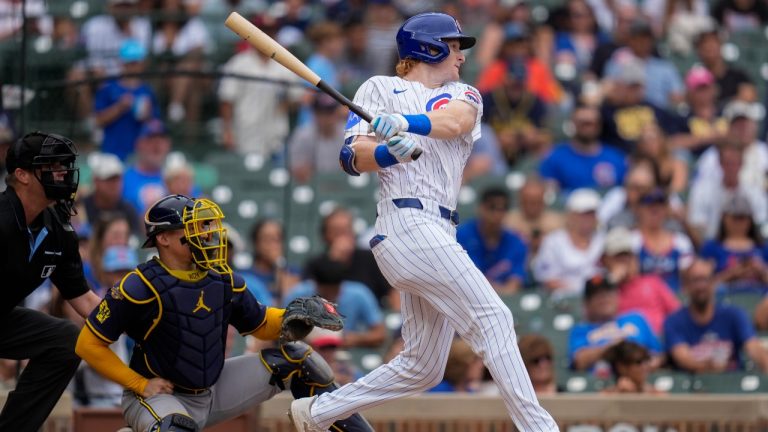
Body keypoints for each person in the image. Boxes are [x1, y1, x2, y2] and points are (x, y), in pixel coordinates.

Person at [289, 12, 559, 432]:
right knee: (494, 319)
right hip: (405, 222)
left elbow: (455, 122)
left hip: (438, 230)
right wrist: (387, 152)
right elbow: (351, 156)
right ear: (427, 47)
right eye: (453, 46)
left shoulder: (465, 93)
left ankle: (317, 413)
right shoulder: (379, 88)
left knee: (424, 365)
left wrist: (404, 125)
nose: (460, 57)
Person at [75, 194, 373, 432]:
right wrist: (139, 384)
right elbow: (87, 345)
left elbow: (260, 325)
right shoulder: (138, 285)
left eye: (204, 226)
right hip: (158, 396)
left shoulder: (222, 278)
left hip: (213, 389)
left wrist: (294, 317)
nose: (205, 233)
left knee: (300, 360)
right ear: (163, 238)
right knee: (176, 427)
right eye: (193, 227)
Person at [0, 132, 101, 430]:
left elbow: (83, 299)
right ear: (22, 175)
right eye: (52, 166)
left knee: (67, 340)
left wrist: (136, 323)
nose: (62, 173)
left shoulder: (58, 227)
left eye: (63, 165)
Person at [218, 14, 303, 157]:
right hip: (245, 133)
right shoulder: (239, 63)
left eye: (271, 31)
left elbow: (297, 98)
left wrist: (286, 102)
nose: (267, 36)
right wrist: (227, 131)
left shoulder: (285, 64)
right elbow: (226, 99)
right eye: (263, 31)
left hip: (276, 135)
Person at [664, 258, 768, 373]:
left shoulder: (734, 315)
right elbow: (683, 358)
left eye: (705, 279)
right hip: (693, 386)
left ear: (713, 283)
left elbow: (753, 347)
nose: (701, 286)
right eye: (695, 280)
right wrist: (709, 367)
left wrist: (765, 361)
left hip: (732, 384)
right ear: (686, 286)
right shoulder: (674, 321)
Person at [568, 275, 662, 375]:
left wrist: (648, 363)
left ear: (617, 296)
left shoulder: (636, 319)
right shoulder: (581, 330)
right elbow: (579, 362)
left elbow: (658, 354)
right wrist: (614, 348)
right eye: (596, 295)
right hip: (602, 383)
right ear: (586, 304)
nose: (603, 298)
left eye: (608, 293)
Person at [286, 256, 386, 349]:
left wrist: (356, 338)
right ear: (316, 284)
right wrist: (305, 337)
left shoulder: (359, 293)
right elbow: (281, 330)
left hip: (344, 353)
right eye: (325, 292)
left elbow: (380, 333)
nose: (330, 297)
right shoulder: (298, 295)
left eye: (334, 291)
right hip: (307, 351)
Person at [602, 226, 681, 335]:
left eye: (627, 256)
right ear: (607, 261)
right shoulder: (605, 289)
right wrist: (612, 282)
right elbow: (599, 320)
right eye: (618, 258)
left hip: (658, 339)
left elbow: (677, 312)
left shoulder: (653, 282)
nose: (624, 262)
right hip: (623, 342)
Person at [93, 39, 160, 161]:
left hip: (139, 156)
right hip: (111, 152)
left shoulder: (148, 91)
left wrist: (148, 115)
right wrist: (119, 107)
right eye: (130, 63)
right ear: (122, 63)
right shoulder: (108, 88)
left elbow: (156, 125)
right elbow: (98, 120)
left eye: (136, 63)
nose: (133, 67)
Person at [532, 188, 605, 298]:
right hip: (563, 301)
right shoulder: (553, 242)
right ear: (571, 215)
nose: (588, 218)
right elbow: (548, 280)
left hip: (598, 298)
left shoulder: (603, 240)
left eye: (591, 213)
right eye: (583, 213)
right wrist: (581, 291)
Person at [539, 104, 627, 193]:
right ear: (573, 124)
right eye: (583, 123)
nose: (587, 128)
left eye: (591, 123)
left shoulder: (616, 158)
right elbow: (551, 193)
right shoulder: (555, 158)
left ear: (599, 125)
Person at [457, 187, 528, 294]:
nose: (497, 215)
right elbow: (468, 282)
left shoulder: (516, 242)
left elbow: (514, 286)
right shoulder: (461, 236)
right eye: (492, 208)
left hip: (504, 301)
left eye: (502, 209)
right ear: (481, 208)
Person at [700, 193, 768, 294]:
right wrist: (732, 274)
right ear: (724, 218)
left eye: (742, 218)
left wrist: (760, 270)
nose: (738, 223)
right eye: (734, 218)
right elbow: (703, 285)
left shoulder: (763, 248)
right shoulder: (711, 248)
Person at [631, 189, 694, 292]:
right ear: (639, 209)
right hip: (643, 300)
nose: (655, 210)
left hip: (674, 299)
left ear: (666, 209)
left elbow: (687, 281)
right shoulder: (632, 240)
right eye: (649, 206)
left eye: (659, 206)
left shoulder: (681, 242)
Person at [122, 119, 172, 216]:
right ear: (138, 144)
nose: (157, 145)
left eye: (161, 140)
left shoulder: (177, 178)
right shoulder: (122, 179)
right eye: (150, 139)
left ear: (168, 145)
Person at [82, 152, 141, 235]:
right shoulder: (82, 207)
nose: (115, 185)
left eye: (118, 179)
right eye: (109, 179)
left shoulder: (128, 210)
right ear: (96, 181)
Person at [505, 176, 564, 256]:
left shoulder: (557, 223)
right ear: (520, 201)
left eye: (536, 203)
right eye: (527, 202)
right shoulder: (507, 222)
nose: (531, 207)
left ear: (543, 202)